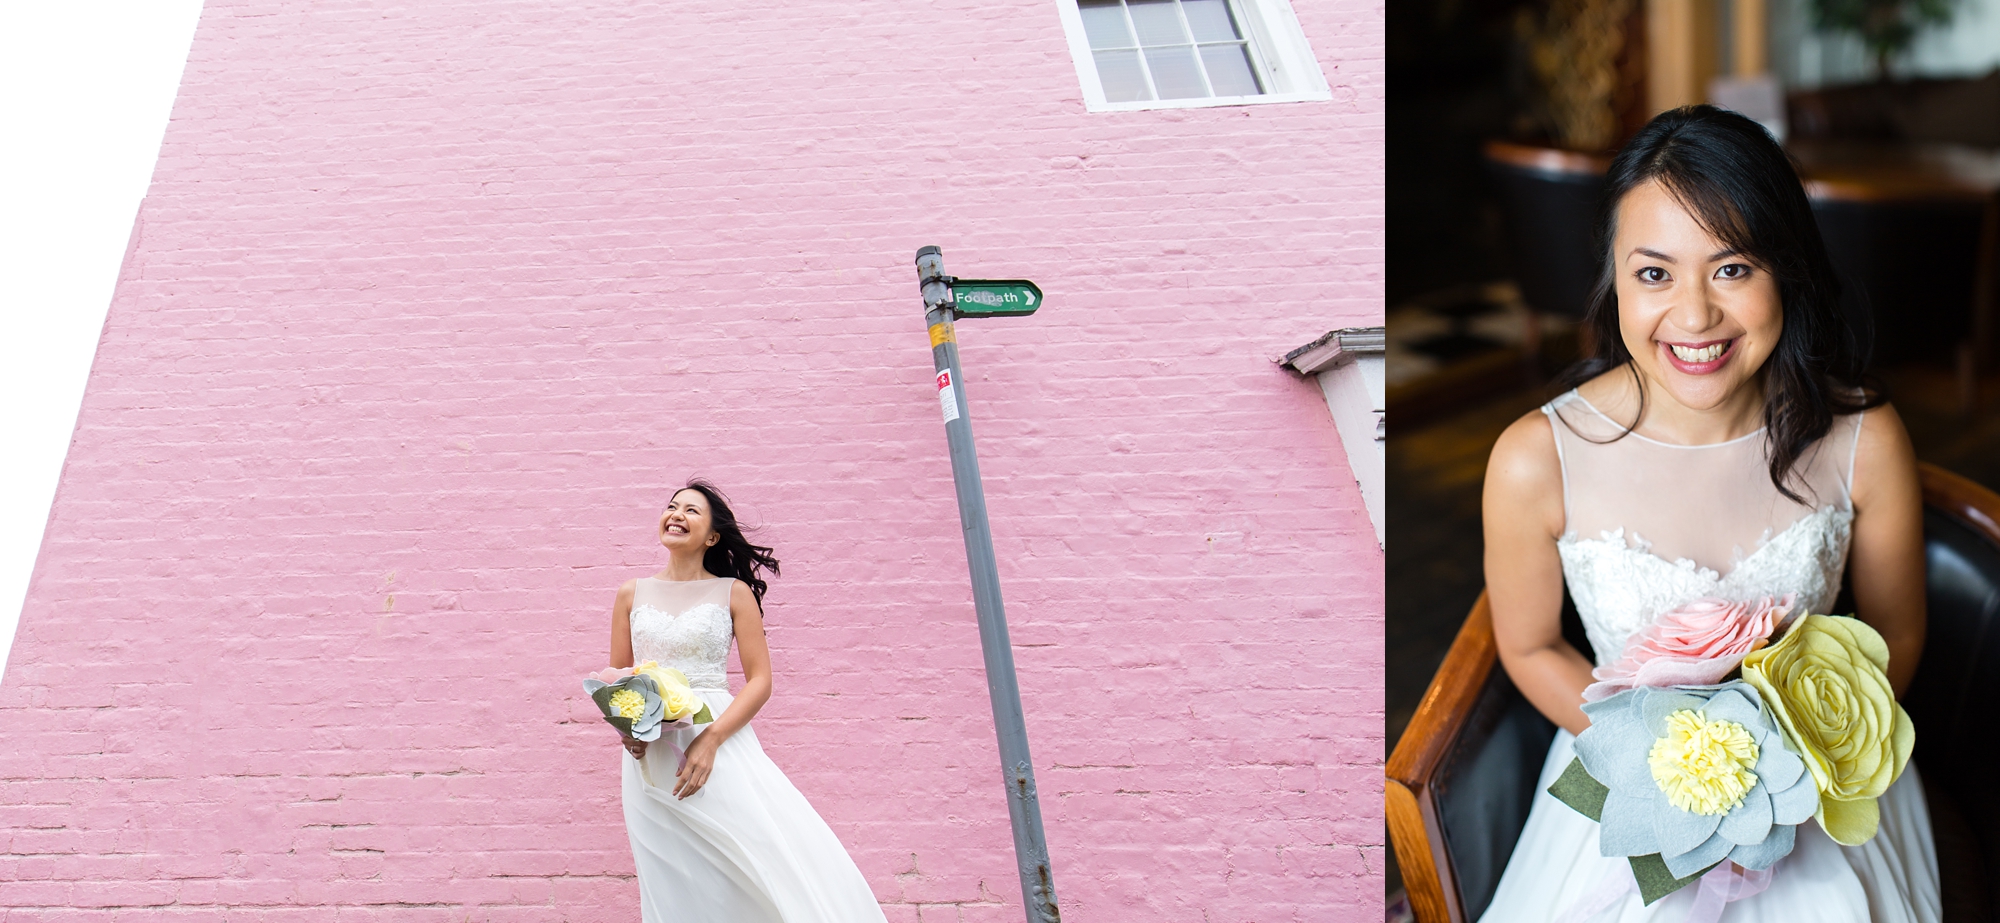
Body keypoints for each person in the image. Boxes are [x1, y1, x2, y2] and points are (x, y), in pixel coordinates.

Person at [1477, 106, 1938, 921]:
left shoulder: (1866, 438)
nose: (1694, 318)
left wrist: (1793, 756)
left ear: (1786, 270)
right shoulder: (1532, 459)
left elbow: (1898, 633)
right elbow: (1528, 642)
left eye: (1732, 269)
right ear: (1613, 279)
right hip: (1625, 777)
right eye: (1655, 273)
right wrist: (1665, 759)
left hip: (1825, 785)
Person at [606, 479, 887, 923]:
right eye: (672, 506)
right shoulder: (630, 593)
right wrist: (630, 733)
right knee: (672, 874)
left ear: (713, 536)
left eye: (692, 511)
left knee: (756, 848)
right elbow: (618, 682)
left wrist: (711, 739)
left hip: (718, 736)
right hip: (652, 749)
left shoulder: (732, 593)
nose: (676, 514)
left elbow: (760, 680)